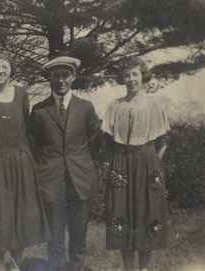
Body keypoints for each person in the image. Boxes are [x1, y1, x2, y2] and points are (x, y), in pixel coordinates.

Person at [0, 53, 50, 271]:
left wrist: (29, 158)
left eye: (4, 67)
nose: (0, 71)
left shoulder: (22, 94)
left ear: (11, 70)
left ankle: (15, 265)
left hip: (20, 161)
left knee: (20, 213)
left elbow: (27, 129)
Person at [29, 56, 102, 271]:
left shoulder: (85, 108)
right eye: (56, 76)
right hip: (51, 182)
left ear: (73, 77)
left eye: (65, 75)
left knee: (79, 239)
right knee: (55, 240)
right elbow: (33, 146)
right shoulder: (39, 110)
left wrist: (85, 165)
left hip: (80, 180)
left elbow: (95, 142)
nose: (61, 80)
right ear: (50, 79)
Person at [101, 56, 170, 271]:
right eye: (127, 75)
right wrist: (111, 163)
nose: (131, 79)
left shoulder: (154, 104)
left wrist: (153, 160)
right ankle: (129, 267)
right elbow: (107, 141)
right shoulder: (115, 106)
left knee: (147, 212)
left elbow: (164, 141)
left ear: (143, 77)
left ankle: (144, 268)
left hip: (148, 163)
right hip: (121, 162)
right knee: (122, 212)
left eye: (135, 74)